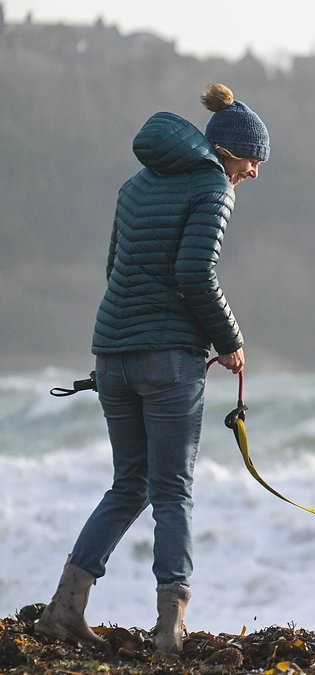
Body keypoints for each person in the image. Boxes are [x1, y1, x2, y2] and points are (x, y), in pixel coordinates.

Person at [34, 83, 269, 655]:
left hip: (111, 355)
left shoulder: (135, 184)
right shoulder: (212, 185)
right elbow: (195, 274)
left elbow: (115, 267)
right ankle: (170, 630)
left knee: (129, 483)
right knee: (172, 491)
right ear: (231, 153)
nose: (255, 173)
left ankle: (65, 607)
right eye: (254, 160)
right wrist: (229, 340)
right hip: (168, 363)